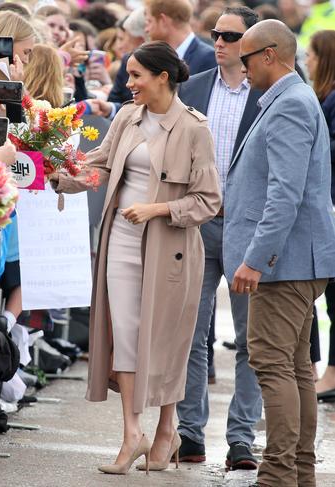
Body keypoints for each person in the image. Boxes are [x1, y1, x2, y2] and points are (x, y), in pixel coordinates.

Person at [50, 40, 221, 475]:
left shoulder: (193, 128)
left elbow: (208, 201)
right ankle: (132, 434)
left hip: (171, 250)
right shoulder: (127, 116)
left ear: (162, 77)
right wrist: (60, 176)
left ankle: (167, 429)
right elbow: (101, 166)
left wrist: (158, 209)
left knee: (164, 341)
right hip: (122, 240)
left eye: (136, 76)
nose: (128, 84)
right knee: (125, 334)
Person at [225, 19, 335, 487]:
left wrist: (256, 258)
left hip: (283, 263)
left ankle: (277, 475)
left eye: (246, 58)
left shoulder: (289, 104)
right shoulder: (293, 99)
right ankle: (298, 473)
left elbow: (284, 195)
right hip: (294, 260)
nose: (241, 66)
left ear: (270, 54)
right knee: (293, 369)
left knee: (274, 365)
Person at [176, 5, 263, 470]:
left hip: (249, 229)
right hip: (199, 223)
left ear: (252, 42)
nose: (221, 41)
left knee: (253, 339)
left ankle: (242, 439)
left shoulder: (272, 93)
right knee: (191, 332)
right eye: (216, 33)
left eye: (230, 34)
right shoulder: (192, 87)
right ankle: (191, 434)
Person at [305, 29, 335, 401]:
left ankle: (330, 372)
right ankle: (318, 368)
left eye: (311, 54)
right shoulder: (321, 97)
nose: (307, 61)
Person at [144, 0, 217, 75]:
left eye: (149, 21)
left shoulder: (208, 59)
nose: (146, 29)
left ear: (163, 21)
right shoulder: (154, 57)